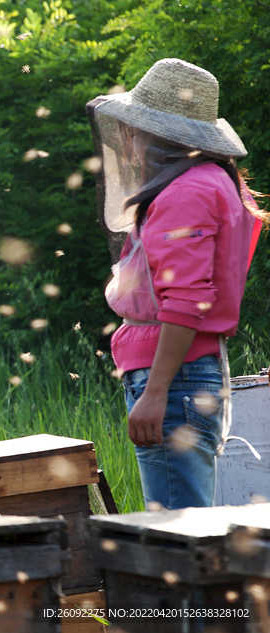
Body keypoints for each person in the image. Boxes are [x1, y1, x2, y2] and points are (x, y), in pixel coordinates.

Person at [88, 58, 264, 509]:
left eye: (134, 127)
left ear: (155, 133)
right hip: (190, 374)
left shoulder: (187, 192)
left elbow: (187, 302)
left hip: (178, 378)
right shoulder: (213, 182)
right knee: (188, 533)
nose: (127, 138)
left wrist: (155, 393)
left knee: (179, 539)